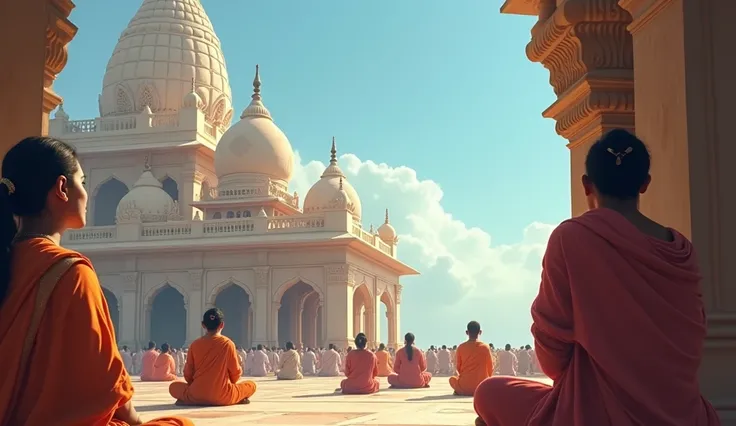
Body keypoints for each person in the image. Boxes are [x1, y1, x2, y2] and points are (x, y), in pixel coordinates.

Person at [473, 129, 721, 426]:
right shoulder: (681, 250)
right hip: (681, 411)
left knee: (489, 392)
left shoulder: (572, 236)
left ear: (586, 185)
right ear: (645, 183)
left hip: (598, 411)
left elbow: (552, 354)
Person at [0, 136, 191, 425]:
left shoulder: (11, 260)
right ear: (62, 188)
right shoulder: (70, 272)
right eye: (83, 182)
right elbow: (107, 380)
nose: (86, 194)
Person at [169, 308, 257, 406]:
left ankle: (189, 399)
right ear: (222, 325)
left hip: (196, 395)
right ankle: (237, 398)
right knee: (251, 385)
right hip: (223, 396)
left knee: (173, 387)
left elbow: (188, 374)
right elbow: (235, 373)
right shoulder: (227, 344)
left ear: (203, 325)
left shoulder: (195, 344)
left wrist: (195, 386)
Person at [449, 321, 493, 396]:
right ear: (480, 332)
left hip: (464, 387)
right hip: (481, 388)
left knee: (452, 379)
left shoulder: (461, 347)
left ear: (467, 332)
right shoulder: (485, 347)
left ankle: (460, 390)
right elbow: (490, 368)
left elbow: (458, 368)